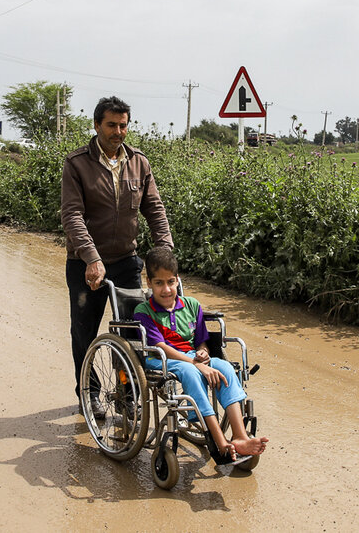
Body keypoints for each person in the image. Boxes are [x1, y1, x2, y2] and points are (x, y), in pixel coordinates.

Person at [60, 96, 173, 412]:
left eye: (123, 125)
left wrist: (165, 250)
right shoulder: (77, 164)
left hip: (125, 261)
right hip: (85, 264)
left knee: (132, 332)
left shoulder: (139, 162)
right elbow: (71, 215)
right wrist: (91, 258)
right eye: (111, 125)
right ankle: (89, 392)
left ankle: (126, 395)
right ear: (97, 125)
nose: (118, 131)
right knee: (84, 331)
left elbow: (154, 208)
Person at [134, 247, 268, 463]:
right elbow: (160, 346)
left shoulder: (192, 305)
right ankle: (219, 441)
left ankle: (240, 436)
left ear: (177, 280)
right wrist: (197, 365)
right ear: (149, 283)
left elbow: (201, 341)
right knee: (190, 370)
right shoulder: (143, 311)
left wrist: (203, 354)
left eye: (170, 282)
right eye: (159, 283)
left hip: (191, 357)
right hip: (160, 359)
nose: (166, 289)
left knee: (223, 367)